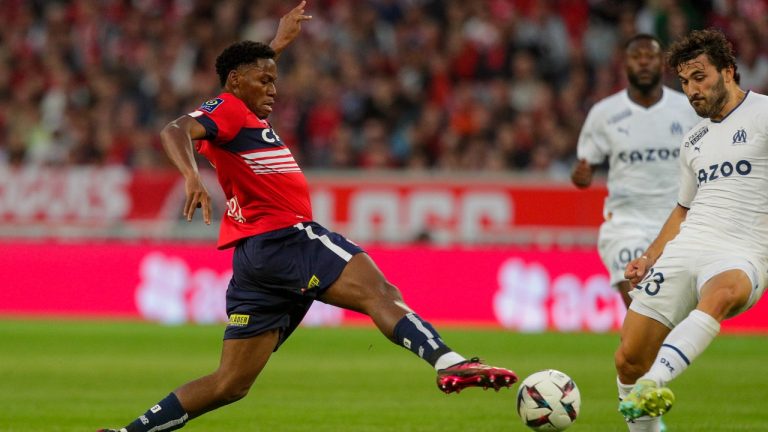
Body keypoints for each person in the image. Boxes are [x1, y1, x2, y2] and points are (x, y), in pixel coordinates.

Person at [98, 3, 516, 432]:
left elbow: (245, 75)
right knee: (379, 291)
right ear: (236, 81)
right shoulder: (228, 108)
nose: (274, 89)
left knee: (230, 383)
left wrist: (276, 45)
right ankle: (451, 363)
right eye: (265, 80)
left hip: (257, 257)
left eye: (275, 79)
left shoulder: (239, 108)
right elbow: (173, 129)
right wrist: (191, 176)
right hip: (288, 238)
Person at [615, 28, 768, 432]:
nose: (692, 90)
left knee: (721, 294)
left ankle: (655, 382)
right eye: (684, 82)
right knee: (628, 357)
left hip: (742, 250)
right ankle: (645, 405)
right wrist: (649, 257)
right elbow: (682, 211)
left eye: (700, 77)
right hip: (689, 245)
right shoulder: (694, 141)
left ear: (729, 71)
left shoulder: (764, 115)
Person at [572, 33, 700, 308]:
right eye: (636, 57)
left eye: (650, 57)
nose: (643, 63)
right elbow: (585, 168)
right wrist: (581, 175)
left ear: (662, 63)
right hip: (625, 224)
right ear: (625, 64)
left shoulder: (687, 109)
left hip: (676, 223)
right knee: (640, 303)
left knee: (669, 315)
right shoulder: (604, 113)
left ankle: (648, 351)